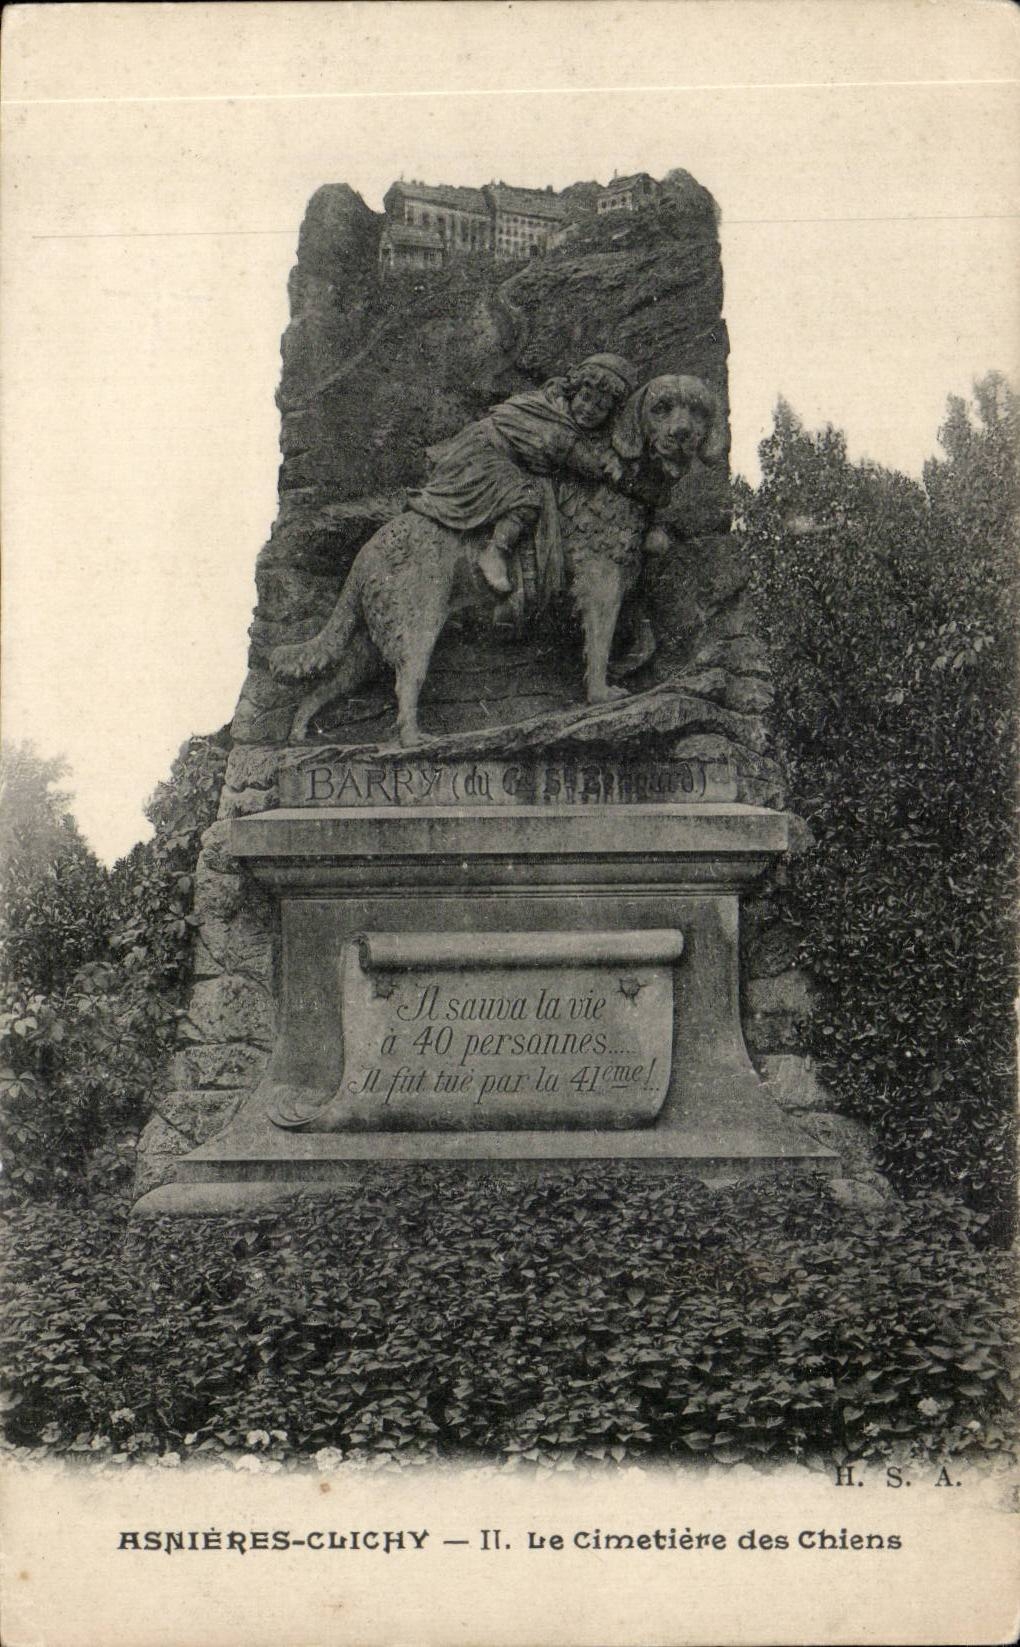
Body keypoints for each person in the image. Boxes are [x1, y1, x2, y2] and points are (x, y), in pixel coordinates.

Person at [406, 354, 639, 601]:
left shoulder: (564, 417)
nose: (589, 409)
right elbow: (589, 465)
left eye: (601, 407)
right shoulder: (554, 419)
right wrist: (618, 464)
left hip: (491, 456)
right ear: (573, 391)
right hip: (480, 458)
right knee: (529, 496)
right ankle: (496, 552)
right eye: (585, 397)